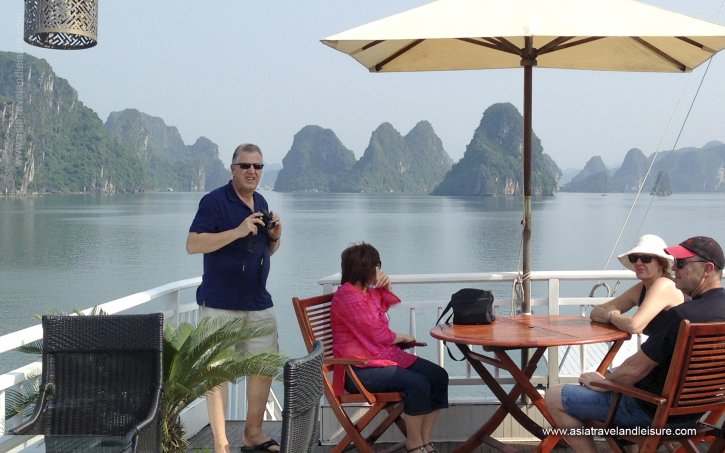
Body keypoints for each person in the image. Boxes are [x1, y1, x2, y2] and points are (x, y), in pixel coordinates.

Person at [545, 236, 725, 453]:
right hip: (695, 417)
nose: (674, 268)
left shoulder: (681, 316)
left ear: (707, 269)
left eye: (681, 263)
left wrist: (602, 382)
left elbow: (634, 370)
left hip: (651, 414)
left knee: (554, 396)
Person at [186, 143, 282, 453]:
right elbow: (193, 244)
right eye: (245, 166)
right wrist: (238, 231)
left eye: (258, 166)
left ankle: (253, 433)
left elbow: (265, 252)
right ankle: (221, 444)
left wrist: (275, 237)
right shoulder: (214, 201)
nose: (252, 171)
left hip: (258, 302)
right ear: (233, 168)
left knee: (263, 368)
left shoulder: (261, 202)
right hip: (220, 304)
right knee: (217, 374)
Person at [330, 243, 449, 453]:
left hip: (379, 359)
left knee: (438, 376)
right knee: (418, 384)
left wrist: (385, 285)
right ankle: (414, 444)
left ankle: (425, 441)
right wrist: (403, 336)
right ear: (366, 268)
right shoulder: (348, 297)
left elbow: (385, 302)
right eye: (377, 265)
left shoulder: (364, 292)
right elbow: (377, 334)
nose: (379, 269)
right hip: (357, 369)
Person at [590, 234, 685, 335]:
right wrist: (612, 315)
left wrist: (612, 315)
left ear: (661, 263)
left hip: (670, 345)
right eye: (634, 258)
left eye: (646, 258)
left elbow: (634, 326)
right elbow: (596, 312)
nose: (638, 262)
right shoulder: (642, 288)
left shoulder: (664, 285)